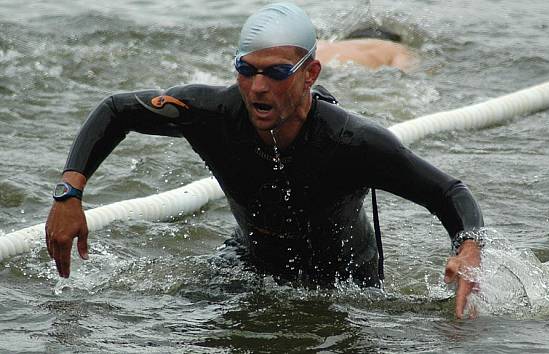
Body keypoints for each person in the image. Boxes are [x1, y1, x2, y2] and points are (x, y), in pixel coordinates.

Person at [45, 2, 484, 319]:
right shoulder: (210, 114)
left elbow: (448, 192)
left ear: (310, 74)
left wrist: (466, 250)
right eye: (246, 69)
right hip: (249, 265)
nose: (257, 87)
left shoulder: (353, 142)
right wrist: (69, 194)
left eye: (275, 73)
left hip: (345, 286)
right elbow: (117, 109)